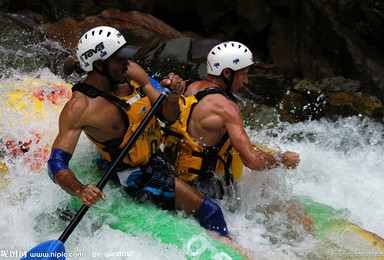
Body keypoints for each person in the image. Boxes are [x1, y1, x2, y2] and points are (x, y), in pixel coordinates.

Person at [48, 26, 229, 237]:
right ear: (99, 65)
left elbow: (167, 116)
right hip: (135, 175)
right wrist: (80, 190)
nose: (127, 63)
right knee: (212, 212)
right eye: (119, 60)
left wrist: (172, 96)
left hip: (155, 158)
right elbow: (56, 163)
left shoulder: (131, 73)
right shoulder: (80, 108)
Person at [163, 41, 300, 198]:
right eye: (243, 74)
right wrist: (282, 160)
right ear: (227, 72)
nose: (245, 81)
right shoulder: (226, 108)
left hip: (171, 180)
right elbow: (252, 161)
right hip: (203, 192)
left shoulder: (185, 87)